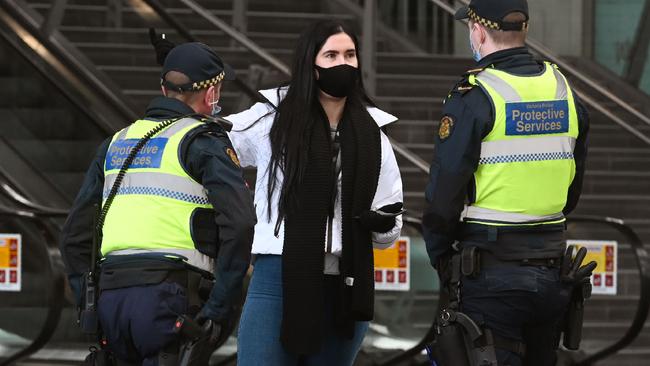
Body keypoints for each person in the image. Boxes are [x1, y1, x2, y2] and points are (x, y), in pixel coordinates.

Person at [59, 42, 256, 365]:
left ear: (163, 88)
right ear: (211, 95)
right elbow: (240, 222)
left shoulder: (116, 142)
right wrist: (219, 307)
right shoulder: (202, 141)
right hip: (171, 298)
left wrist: (89, 302)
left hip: (111, 299)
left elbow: (73, 236)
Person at [422, 0, 593, 365]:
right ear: (524, 30)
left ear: (478, 31)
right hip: (553, 270)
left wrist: (439, 254)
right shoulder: (563, 90)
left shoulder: (475, 96)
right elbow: (572, 188)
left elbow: (445, 193)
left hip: (490, 273)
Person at [224, 20, 403, 365]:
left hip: (345, 283)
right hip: (277, 277)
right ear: (311, 63)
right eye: (331, 55)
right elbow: (217, 146)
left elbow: (391, 218)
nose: (343, 63)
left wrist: (380, 225)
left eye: (350, 54)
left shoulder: (373, 132)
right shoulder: (273, 118)